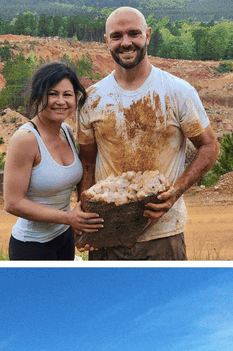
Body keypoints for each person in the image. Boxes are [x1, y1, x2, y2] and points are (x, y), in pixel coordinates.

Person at [77, 6, 219, 260]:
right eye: (117, 36)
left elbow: (208, 146)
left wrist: (175, 193)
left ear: (148, 35)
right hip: (107, 235)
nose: (126, 42)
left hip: (163, 234)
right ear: (106, 41)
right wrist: (84, 219)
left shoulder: (178, 92)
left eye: (134, 33)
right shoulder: (93, 98)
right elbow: (87, 161)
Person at [3, 62, 103, 261]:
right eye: (52, 94)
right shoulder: (26, 139)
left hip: (64, 236)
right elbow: (12, 203)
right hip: (32, 246)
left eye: (67, 94)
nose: (60, 101)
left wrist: (77, 224)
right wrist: (68, 218)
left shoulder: (66, 132)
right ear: (38, 96)